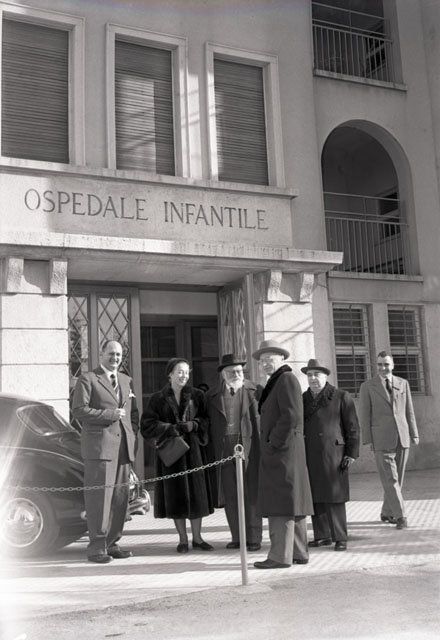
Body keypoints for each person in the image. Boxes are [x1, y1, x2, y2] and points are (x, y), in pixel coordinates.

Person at [72, 340, 138, 563]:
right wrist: (109, 415)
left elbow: (133, 414)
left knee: (120, 499)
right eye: (111, 353)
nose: (115, 358)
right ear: (101, 354)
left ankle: (112, 543)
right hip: (99, 449)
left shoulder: (126, 380)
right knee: (99, 500)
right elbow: (78, 410)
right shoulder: (88, 378)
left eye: (118, 354)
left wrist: (132, 436)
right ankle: (97, 548)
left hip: (123, 448)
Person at [141, 358, 214, 552]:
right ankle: (182, 539)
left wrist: (194, 425)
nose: (184, 375)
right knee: (176, 497)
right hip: (171, 453)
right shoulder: (158, 398)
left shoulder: (198, 395)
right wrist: (169, 428)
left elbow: (207, 419)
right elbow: (147, 424)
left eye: (187, 372)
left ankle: (198, 538)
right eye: (180, 372)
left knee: (197, 497)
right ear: (170, 374)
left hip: (194, 452)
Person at [251, 340, 314, 569]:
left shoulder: (285, 379)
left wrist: (272, 443)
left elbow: (291, 416)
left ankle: (279, 556)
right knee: (291, 502)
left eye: (270, 359)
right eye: (262, 360)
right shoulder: (278, 381)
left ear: (282, 359)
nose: (266, 364)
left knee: (280, 504)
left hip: (282, 451)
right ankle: (298, 553)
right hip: (286, 451)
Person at [301, 359, 360, 552]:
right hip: (310, 453)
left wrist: (351, 453)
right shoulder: (303, 398)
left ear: (325, 376)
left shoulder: (341, 396)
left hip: (334, 454)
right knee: (315, 496)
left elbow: (352, 427)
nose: (313, 378)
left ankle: (340, 537)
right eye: (309, 375)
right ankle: (322, 535)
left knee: (335, 497)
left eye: (317, 374)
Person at [205, 353, 262, 551]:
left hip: (249, 445)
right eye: (231, 372)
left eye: (239, 371)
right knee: (231, 494)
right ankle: (237, 537)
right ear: (223, 374)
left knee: (250, 493)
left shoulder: (256, 391)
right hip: (224, 448)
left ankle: (253, 538)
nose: (236, 374)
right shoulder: (212, 395)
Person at [359, 350, 419, 529]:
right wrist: (368, 440)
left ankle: (387, 512)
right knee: (391, 479)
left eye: (386, 364)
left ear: (392, 365)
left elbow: (409, 411)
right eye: (379, 364)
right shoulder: (367, 386)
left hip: (402, 437)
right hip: (381, 439)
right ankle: (401, 516)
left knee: (396, 480)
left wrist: (414, 433)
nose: (383, 368)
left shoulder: (403, 383)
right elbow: (365, 415)